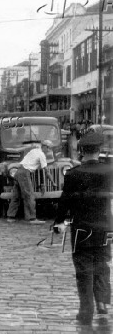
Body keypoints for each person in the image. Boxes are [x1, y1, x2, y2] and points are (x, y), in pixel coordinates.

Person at [54, 132, 113, 325]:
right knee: (103, 265)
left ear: (82, 151)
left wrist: (59, 222)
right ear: (99, 150)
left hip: (82, 229)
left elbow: (65, 201)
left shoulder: (73, 174)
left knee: (83, 268)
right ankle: (103, 305)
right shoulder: (110, 170)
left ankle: (86, 310)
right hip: (106, 228)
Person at [6, 140, 57, 224]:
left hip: (18, 171)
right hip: (25, 173)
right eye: (49, 148)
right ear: (44, 146)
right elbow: (47, 171)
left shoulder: (33, 150)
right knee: (29, 195)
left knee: (16, 195)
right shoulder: (41, 155)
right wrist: (53, 182)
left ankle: (10, 217)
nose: (49, 150)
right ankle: (32, 218)